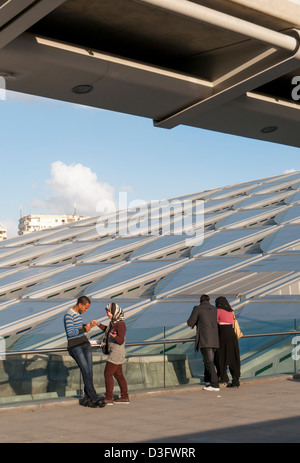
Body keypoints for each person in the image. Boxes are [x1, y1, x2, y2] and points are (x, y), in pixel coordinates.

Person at [64, 295, 105, 408]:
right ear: (80, 304)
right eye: (85, 308)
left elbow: (77, 327)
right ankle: (94, 398)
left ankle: (88, 400)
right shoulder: (68, 315)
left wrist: (86, 326)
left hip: (85, 344)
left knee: (90, 371)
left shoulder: (78, 314)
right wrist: (84, 329)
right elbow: (70, 332)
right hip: (75, 346)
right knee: (86, 371)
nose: (86, 310)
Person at [95, 302, 129, 405]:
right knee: (119, 375)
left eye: (108, 312)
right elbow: (108, 331)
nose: (107, 314)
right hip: (114, 351)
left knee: (107, 374)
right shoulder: (113, 323)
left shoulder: (120, 324)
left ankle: (108, 398)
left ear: (114, 312)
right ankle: (124, 397)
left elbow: (121, 340)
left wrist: (114, 337)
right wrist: (97, 324)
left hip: (116, 352)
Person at [187, 294, 220, 391]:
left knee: (209, 362)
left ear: (200, 301)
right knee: (207, 361)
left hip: (205, 339)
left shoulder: (197, 308)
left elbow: (190, 322)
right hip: (214, 339)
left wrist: (195, 323)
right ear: (209, 300)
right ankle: (208, 381)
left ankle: (215, 385)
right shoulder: (214, 309)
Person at [214, 296, 241, 388]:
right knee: (233, 357)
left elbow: (215, 322)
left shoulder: (218, 311)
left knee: (220, 356)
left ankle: (223, 377)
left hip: (223, 335)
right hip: (232, 335)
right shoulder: (231, 311)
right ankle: (235, 380)